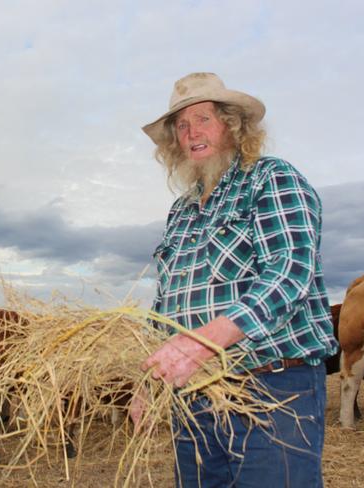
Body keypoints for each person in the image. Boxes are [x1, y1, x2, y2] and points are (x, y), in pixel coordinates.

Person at [131, 72, 338, 487]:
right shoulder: (182, 210)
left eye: (203, 119)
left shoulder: (271, 179)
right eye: (182, 126)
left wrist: (201, 342)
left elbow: (289, 270)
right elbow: (168, 303)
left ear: (232, 125)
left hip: (272, 390)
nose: (191, 133)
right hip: (195, 396)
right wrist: (148, 378)